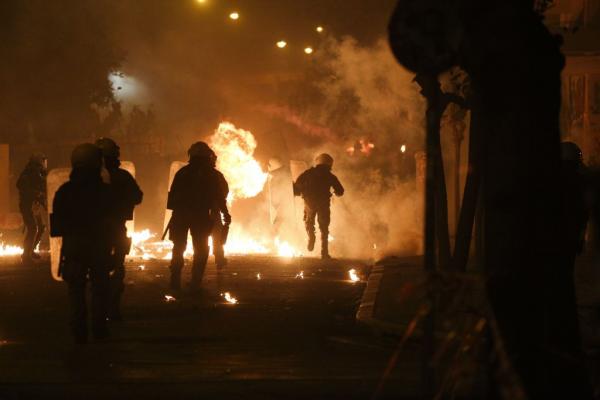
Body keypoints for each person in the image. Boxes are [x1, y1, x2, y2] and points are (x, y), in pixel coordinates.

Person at [50, 144, 116, 343]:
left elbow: (57, 227)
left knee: (76, 290)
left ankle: (79, 331)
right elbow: (114, 223)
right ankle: (99, 329)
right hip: (99, 247)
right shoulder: (105, 191)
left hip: (74, 247)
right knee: (100, 288)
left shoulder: (65, 191)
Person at [166, 142, 228, 291]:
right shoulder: (212, 175)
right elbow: (220, 196)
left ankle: (175, 279)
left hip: (181, 215)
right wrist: (225, 212)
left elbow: (172, 197)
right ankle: (195, 282)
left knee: (178, 246)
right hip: (200, 215)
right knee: (201, 248)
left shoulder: (182, 173)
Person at [95, 137, 143, 321]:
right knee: (116, 269)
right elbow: (137, 197)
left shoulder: (86, 177)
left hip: (92, 232)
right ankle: (113, 309)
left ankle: (98, 311)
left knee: (96, 271)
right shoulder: (122, 176)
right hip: (116, 229)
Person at [293, 153, 344, 259]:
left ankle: (311, 237)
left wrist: (298, 191)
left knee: (309, 223)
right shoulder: (330, 176)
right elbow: (340, 191)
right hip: (323, 204)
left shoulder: (307, 173)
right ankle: (324, 252)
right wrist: (334, 193)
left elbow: (296, 188)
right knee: (324, 228)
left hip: (309, 203)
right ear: (329, 164)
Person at [16, 152, 48, 264]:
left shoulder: (37, 174)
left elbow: (42, 187)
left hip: (34, 205)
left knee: (41, 227)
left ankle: (30, 250)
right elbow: (21, 186)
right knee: (32, 228)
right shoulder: (28, 174)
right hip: (27, 205)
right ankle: (26, 255)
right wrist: (36, 194)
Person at [208, 149, 231, 268]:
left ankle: (176, 272)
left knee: (199, 240)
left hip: (194, 213)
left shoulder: (185, 173)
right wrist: (225, 212)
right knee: (216, 236)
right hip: (212, 211)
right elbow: (222, 194)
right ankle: (219, 258)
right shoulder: (215, 175)